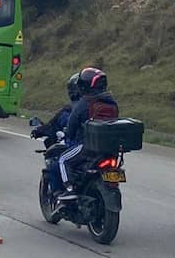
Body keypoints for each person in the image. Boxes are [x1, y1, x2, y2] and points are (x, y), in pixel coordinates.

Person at [57, 67, 119, 201]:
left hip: (87, 147)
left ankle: (69, 189)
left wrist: (68, 135)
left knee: (62, 160)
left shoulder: (84, 103)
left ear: (84, 85)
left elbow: (72, 126)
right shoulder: (111, 102)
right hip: (109, 149)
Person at [31, 72, 81, 147]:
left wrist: (39, 130)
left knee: (60, 157)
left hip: (77, 148)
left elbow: (53, 126)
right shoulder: (100, 105)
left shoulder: (70, 110)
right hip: (97, 152)